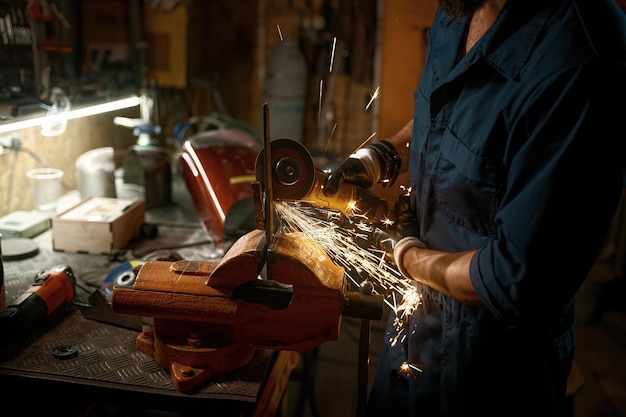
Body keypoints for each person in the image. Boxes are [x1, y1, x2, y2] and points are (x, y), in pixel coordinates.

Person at [323, 0, 626, 415]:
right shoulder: (458, 9)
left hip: (493, 374)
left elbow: (511, 278)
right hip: (413, 335)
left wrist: (409, 256)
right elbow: (440, 119)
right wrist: (382, 156)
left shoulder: (582, 55)